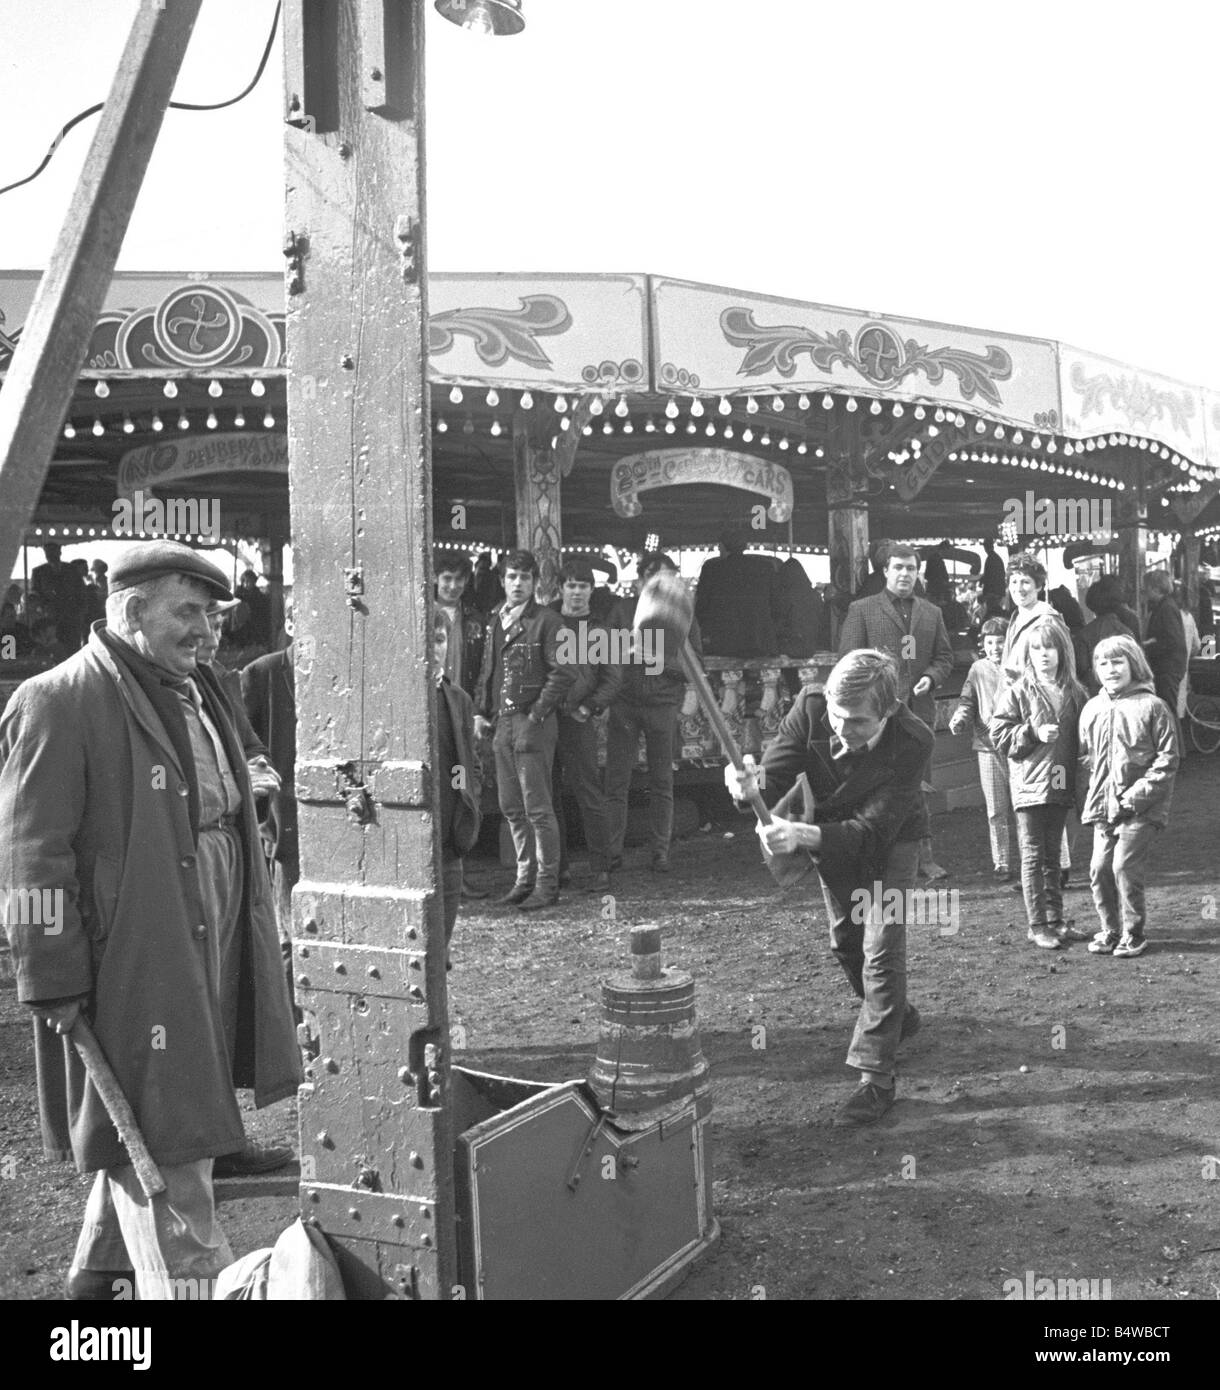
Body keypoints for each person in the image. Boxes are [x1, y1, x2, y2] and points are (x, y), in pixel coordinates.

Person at [0, 540, 299, 1300]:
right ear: (132, 612)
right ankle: (187, 1286)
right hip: (134, 941)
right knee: (162, 1119)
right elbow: (29, 860)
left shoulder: (200, 686)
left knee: (165, 1097)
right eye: (187, 613)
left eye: (212, 617)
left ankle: (98, 1282)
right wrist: (49, 976)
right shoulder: (58, 699)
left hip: (216, 908)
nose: (205, 632)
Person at [725, 650, 929, 1126]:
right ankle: (899, 1016)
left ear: (889, 711)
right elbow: (770, 779)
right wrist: (744, 788)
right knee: (848, 945)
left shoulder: (914, 740)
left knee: (881, 948)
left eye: (857, 722)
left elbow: (872, 833)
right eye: (837, 717)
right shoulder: (813, 706)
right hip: (832, 837)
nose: (841, 729)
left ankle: (876, 1078)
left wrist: (798, 835)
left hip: (892, 840)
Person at [838, 541, 955, 880]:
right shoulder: (862, 610)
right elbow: (849, 661)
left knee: (919, 787)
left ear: (918, 573)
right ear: (886, 571)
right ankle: (872, 854)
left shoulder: (931, 613)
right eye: (899, 568)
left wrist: (931, 679)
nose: (905, 574)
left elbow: (944, 657)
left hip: (918, 714)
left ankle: (923, 859)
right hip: (876, 716)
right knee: (872, 784)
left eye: (911, 569)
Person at [473, 548, 575, 911]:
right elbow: (490, 668)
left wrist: (536, 716)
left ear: (535, 582)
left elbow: (564, 672)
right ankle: (523, 879)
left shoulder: (549, 621)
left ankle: (547, 885)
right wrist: (482, 711)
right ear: (502, 580)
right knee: (511, 807)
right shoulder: (494, 619)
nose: (518, 583)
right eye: (512, 577)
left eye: (526, 577)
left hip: (534, 723)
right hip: (502, 723)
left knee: (538, 809)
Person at [989, 619, 1091, 950]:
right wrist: (1031, 732)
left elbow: (1086, 740)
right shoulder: (1018, 692)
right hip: (1030, 785)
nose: (1043, 654)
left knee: (1054, 857)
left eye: (1049, 647)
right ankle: (1037, 924)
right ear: (1027, 654)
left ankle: (1056, 920)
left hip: (1061, 783)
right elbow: (999, 735)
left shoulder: (1076, 693)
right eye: (1036, 648)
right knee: (1033, 856)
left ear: (1063, 651)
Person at [1078, 635, 1178, 958]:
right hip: (1103, 808)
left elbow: (1167, 760)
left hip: (1143, 808)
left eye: (1118, 662)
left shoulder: (1153, 707)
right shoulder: (1091, 708)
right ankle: (1110, 928)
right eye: (1103, 663)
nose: (1111, 669)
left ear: (1134, 664)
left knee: (1123, 864)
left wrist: (1133, 797)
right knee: (1099, 867)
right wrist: (1095, 791)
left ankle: (1133, 932)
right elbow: (1084, 755)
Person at [604, 552, 702, 875]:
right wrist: (629, 653)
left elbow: (692, 667)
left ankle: (660, 851)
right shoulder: (621, 610)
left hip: (662, 705)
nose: (663, 586)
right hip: (625, 705)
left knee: (662, 782)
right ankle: (612, 852)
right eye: (656, 579)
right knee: (617, 781)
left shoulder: (683, 615)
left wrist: (653, 659)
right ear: (641, 580)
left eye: (669, 579)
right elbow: (603, 654)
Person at [549, 560, 621, 894]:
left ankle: (601, 868)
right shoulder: (544, 622)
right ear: (561, 587)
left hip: (578, 720)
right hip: (546, 719)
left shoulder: (600, 630)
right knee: (548, 796)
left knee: (589, 793)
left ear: (591, 591)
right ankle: (557, 868)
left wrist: (589, 707)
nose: (577, 591)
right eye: (571, 585)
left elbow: (612, 679)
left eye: (583, 586)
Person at [949, 618, 1016, 880]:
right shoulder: (978, 669)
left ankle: (1031, 861)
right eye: (990, 643)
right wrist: (960, 718)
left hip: (1019, 745)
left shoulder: (1020, 666)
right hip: (988, 746)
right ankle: (1001, 863)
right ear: (983, 645)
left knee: (1025, 809)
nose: (995, 648)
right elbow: (967, 700)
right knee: (996, 810)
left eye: (1000, 642)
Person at [431, 612, 482, 947]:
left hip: (449, 840)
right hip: (408, 841)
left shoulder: (458, 699)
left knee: (441, 944)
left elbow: (464, 761)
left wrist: (464, 793)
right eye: (426, 640)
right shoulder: (394, 699)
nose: (434, 648)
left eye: (439, 639)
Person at [694, 527, 782, 658]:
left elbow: (701, 606)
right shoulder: (766, 568)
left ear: (723, 546)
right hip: (760, 643)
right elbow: (776, 605)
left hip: (722, 644)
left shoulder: (712, 569)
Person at [1142, 570, 1187, 743]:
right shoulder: (1167, 606)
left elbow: (1172, 641)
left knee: (1168, 710)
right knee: (1168, 709)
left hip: (1167, 667)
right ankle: (1174, 751)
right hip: (1170, 667)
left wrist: (1148, 644)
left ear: (1155, 588)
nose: (1144, 592)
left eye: (1147, 588)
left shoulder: (1166, 608)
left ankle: (1175, 751)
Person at [433, 551, 486, 699]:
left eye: (459, 579)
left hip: (463, 700)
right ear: (435, 577)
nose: (453, 585)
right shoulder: (423, 617)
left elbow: (484, 669)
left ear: (467, 580)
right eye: (447, 578)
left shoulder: (476, 621)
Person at [1074, 578, 1136, 697]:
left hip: (1094, 696)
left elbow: (1080, 670)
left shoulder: (1084, 635)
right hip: (1124, 694)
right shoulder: (1126, 632)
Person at [30, 542, 89, 650]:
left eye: (53, 551)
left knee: (73, 649)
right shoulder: (38, 572)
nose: (50, 555)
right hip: (51, 619)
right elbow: (35, 592)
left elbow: (81, 591)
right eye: (47, 552)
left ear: (59, 552)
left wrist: (80, 612)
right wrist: (43, 608)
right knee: (54, 649)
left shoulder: (71, 569)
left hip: (72, 618)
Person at [1173, 582, 1202, 719]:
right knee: (1179, 706)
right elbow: (1197, 644)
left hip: (1167, 669)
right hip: (1183, 667)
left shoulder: (1166, 614)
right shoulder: (1189, 617)